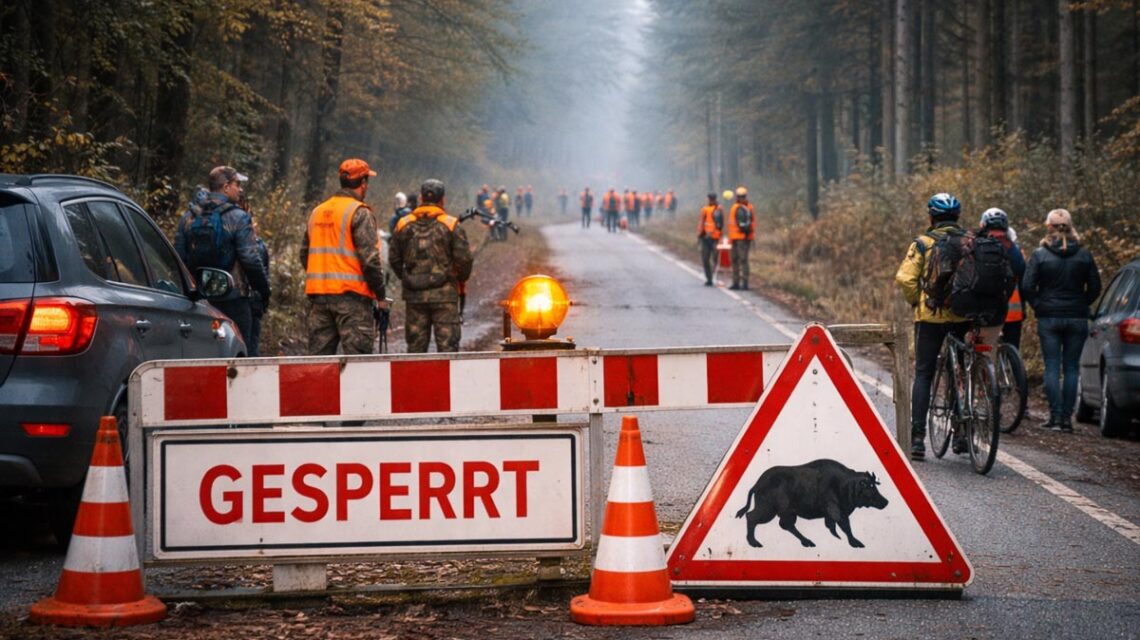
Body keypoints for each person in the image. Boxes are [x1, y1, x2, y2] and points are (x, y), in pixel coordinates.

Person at [895, 193, 971, 460]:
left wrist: (918, 301)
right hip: (963, 317)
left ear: (931, 216)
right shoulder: (969, 242)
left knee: (924, 373)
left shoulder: (924, 243)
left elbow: (905, 278)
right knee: (961, 372)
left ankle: (917, 439)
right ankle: (962, 433)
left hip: (931, 318)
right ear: (957, 217)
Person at [1022, 208, 1102, 432]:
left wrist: (1039, 305)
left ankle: (1055, 416)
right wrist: (1082, 303)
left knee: (1052, 366)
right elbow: (1095, 286)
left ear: (1049, 226)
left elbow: (1028, 286)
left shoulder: (1040, 255)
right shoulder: (1084, 255)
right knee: (1071, 368)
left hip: (1049, 317)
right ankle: (1067, 419)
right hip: (1076, 317)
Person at [174, 165, 271, 345]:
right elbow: (250, 260)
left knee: (202, 352)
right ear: (226, 187)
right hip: (234, 299)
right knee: (239, 355)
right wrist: (264, 291)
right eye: (237, 184)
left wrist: (189, 290)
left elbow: (178, 257)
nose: (240, 189)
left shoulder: (189, 217)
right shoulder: (238, 217)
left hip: (199, 300)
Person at [300, 158, 387, 355]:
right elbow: (371, 261)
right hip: (353, 301)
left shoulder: (317, 212)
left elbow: (304, 254)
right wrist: (380, 295)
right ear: (363, 183)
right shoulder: (359, 212)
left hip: (319, 300)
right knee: (358, 364)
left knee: (319, 363)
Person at [390, 179, 474, 353]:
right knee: (448, 349)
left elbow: (394, 258)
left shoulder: (403, 224)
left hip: (414, 297)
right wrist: (459, 279)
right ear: (442, 200)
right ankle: (446, 380)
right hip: (445, 297)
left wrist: (407, 277)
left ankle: (416, 380)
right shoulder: (451, 225)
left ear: (421, 198)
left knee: (415, 349)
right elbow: (464, 259)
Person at [975, 209, 1027, 349]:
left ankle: (987, 368)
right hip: (1013, 311)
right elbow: (1023, 279)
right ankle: (1011, 369)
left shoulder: (977, 246)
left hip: (986, 310)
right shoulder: (1015, 249)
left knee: (984, 351)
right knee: (1012, 351)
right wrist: (1024, 307)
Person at [247, 215, 271, 357]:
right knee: (251, 341)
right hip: (253, 298)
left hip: (244, 297)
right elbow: (262, 271)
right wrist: (265, 293)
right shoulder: (258, 245)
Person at [726, 187, 755, 290]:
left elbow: (750, 224)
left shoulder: (747, 208)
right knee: (734, 260)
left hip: (742, 239)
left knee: (743, 260)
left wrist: (748, 236)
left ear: (745, 196)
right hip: (734, 238)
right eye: (739, 196)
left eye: (742, 196)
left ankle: (745, 283)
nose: (741, 198)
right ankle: (736, 282)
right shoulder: (736, 207)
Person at [697, 192, 724, 287]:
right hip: (705, 238)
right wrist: (699, 235)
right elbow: (701, 223)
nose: (711, 200)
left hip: (715, 238)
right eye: (710, 198)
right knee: (705, 259)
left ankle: (714, 276)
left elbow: (721, 224)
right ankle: (709, 278)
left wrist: (720, 236)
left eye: (712, 198)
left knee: (716, 258)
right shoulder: (704, 209)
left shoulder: (719, 209)